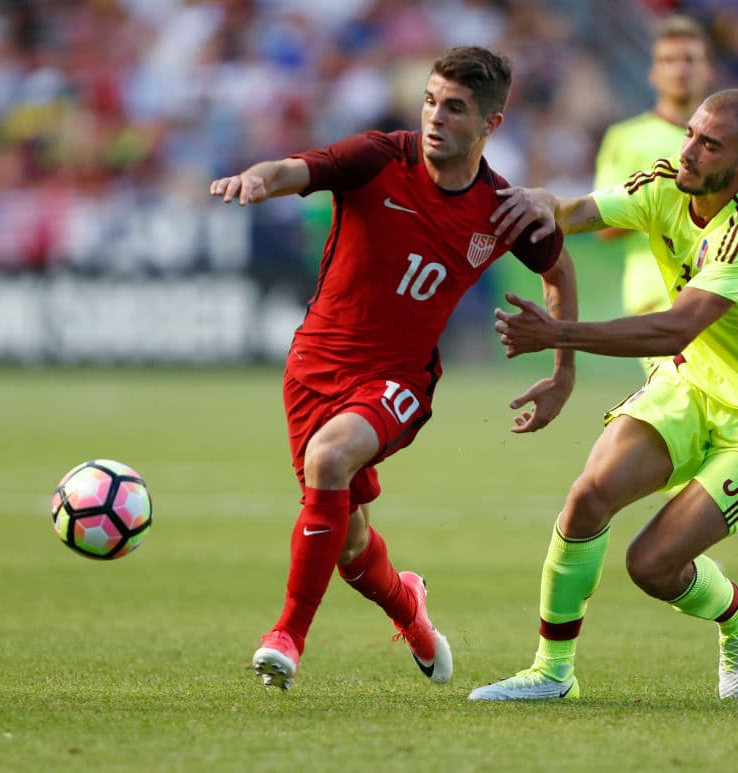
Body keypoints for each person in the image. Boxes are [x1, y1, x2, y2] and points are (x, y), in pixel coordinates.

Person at [210, 46, 577, 692]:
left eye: (455, 108)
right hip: (312, 368)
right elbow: (295, 169)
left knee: (329, 460)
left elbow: (557, 267)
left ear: (490, 123)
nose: (435, 117)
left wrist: (563, 365)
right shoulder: (380, 156)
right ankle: (410, 608)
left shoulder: (502, 208)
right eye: (431, 101)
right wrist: (258, 181)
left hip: (398, 381)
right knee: (351, 548)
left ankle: (287, 634)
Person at [468, 88, 738, 702]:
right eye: (691, 133)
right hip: (693, 383)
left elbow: (673, 327)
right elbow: (585, 212)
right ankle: (552, 672)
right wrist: (547, 205)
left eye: (709, 145)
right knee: (589, 496)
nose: (688, 151)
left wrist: (557, 335)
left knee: (651, 565)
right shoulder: (671, 180)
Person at [592, 15, 712, 375]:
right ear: (653, 74)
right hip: (657, 292)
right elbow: (604, 225)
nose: (680, 70)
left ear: (708, 69)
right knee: (677, 404)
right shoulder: (627, 138)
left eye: (690, 59)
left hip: (717, 288)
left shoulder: (726, 143)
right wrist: (665, 196)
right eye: (669, 61)